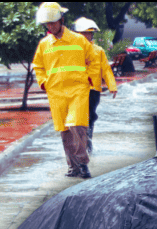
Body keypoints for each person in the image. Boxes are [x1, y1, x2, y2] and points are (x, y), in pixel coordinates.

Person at [33, 2, 98, 179]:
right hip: (56, 93)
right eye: (47, 24)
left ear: (62, 19)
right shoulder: (44, 44)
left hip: (78, 90)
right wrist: (43, 82)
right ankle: (73, 167)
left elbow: (93, 60)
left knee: (76, 125)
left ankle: (83, 163)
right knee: (65, 131)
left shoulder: (79, 40)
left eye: (53, 23)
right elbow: (38, 66)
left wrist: (90, 79)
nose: (50, 26)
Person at [73, 17, 117, 154]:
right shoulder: (72, 50)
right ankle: (79, 144)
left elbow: (106, 70)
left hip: (94, 91)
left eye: (90, 33)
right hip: (77, 89)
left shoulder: (98, 51)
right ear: (79, 34)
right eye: (86, 33)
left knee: (90, 116)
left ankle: (88, 143)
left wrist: (112, 86)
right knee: (77, 118)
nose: (89, 35)